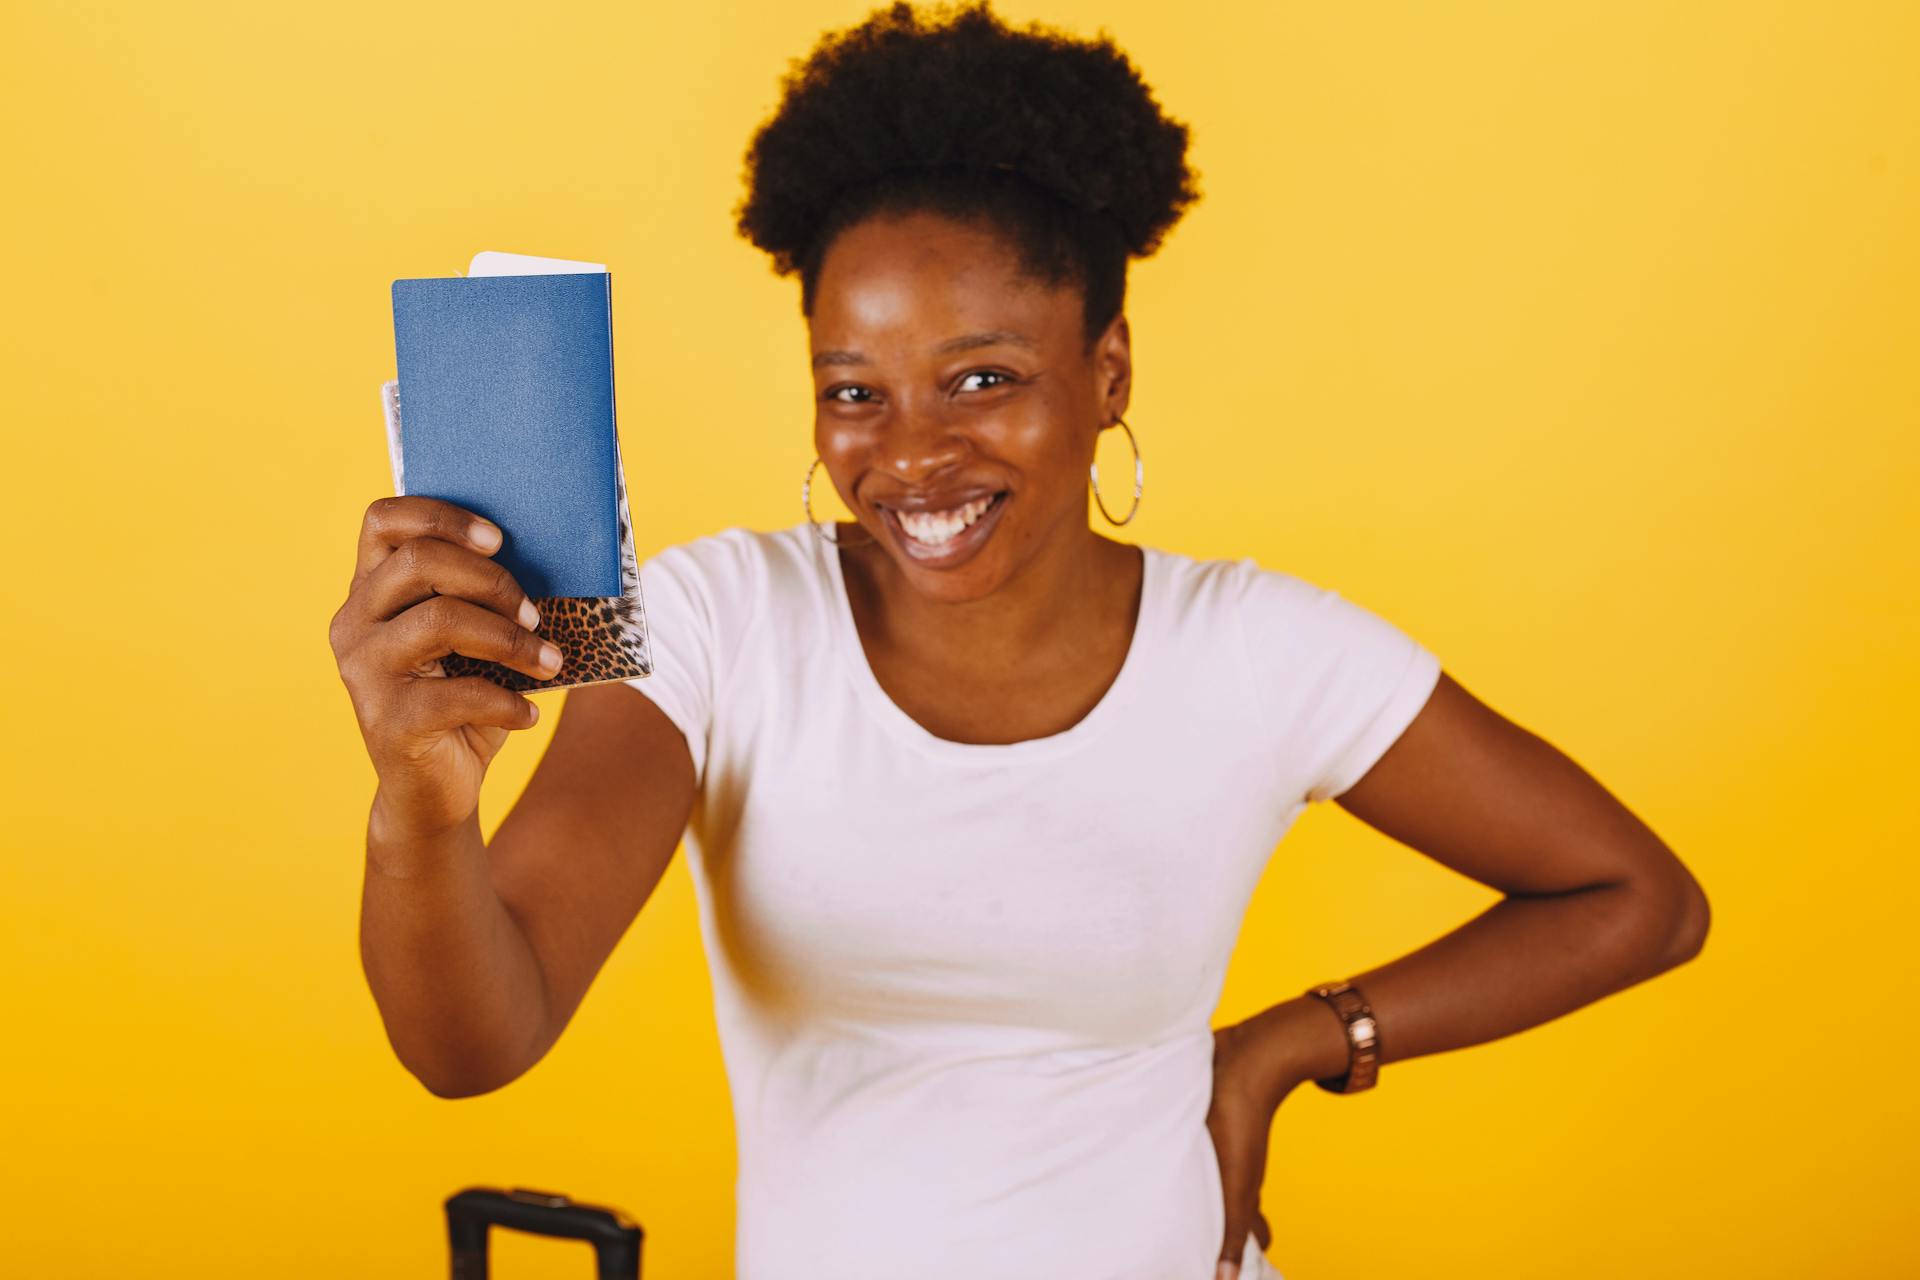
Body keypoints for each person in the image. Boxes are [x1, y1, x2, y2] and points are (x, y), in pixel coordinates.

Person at [329, 3, 1711, 1277]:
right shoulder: (713, 627)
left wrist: (1290, 1047)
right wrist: (424, 809)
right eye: (855, 391)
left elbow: (1638, 898)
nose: (915, 456)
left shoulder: (1260, 652)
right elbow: (475, 1045)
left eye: (983, 378)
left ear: (1107, 372)